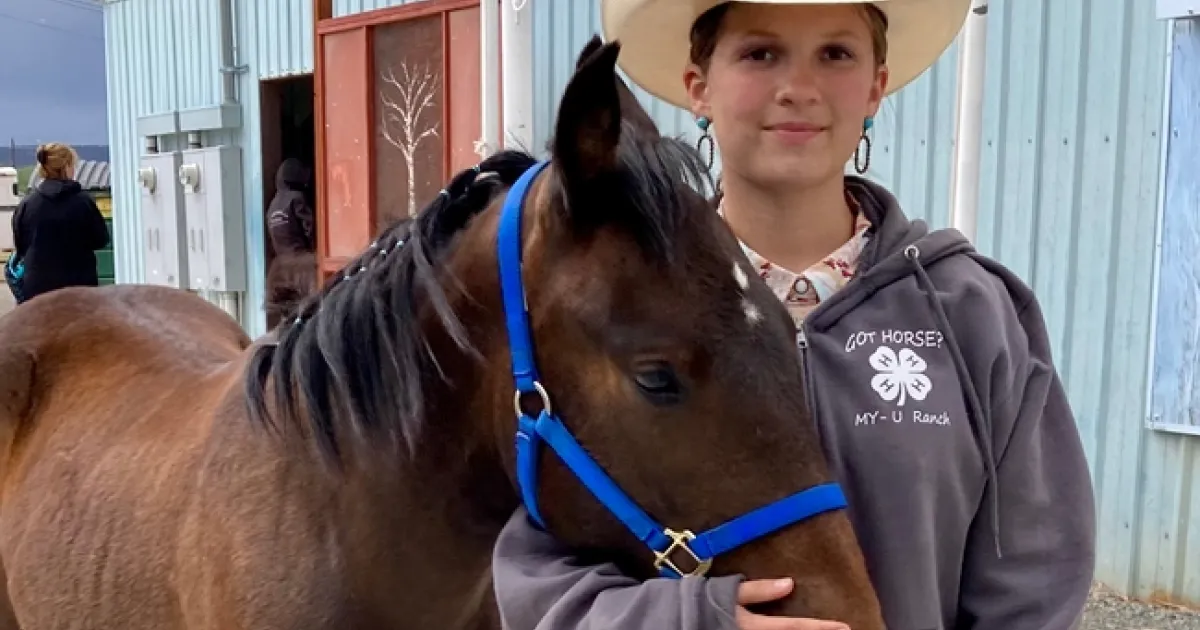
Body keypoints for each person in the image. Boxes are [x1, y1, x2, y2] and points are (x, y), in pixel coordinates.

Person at [490, 1, 1097, 629]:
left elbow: (1038, 575)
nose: (799, 88)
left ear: (875, 88)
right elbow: (538, 579)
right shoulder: (627, 310)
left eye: (835, 54)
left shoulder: (973, 313)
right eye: (760, 53)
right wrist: (694, 621)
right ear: (698, 87)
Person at [10, 142, 110, 303]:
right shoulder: (83, 202)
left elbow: (21, 246)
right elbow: (101, 239)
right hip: (79, 289)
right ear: (66, 166)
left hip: (37, 290)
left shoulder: (27, 204)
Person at [264, 158, 317, 326]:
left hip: (281, 265)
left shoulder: (273, 205)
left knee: (287, 312)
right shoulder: (296, 198)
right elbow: (310, 227)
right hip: (302, 262)